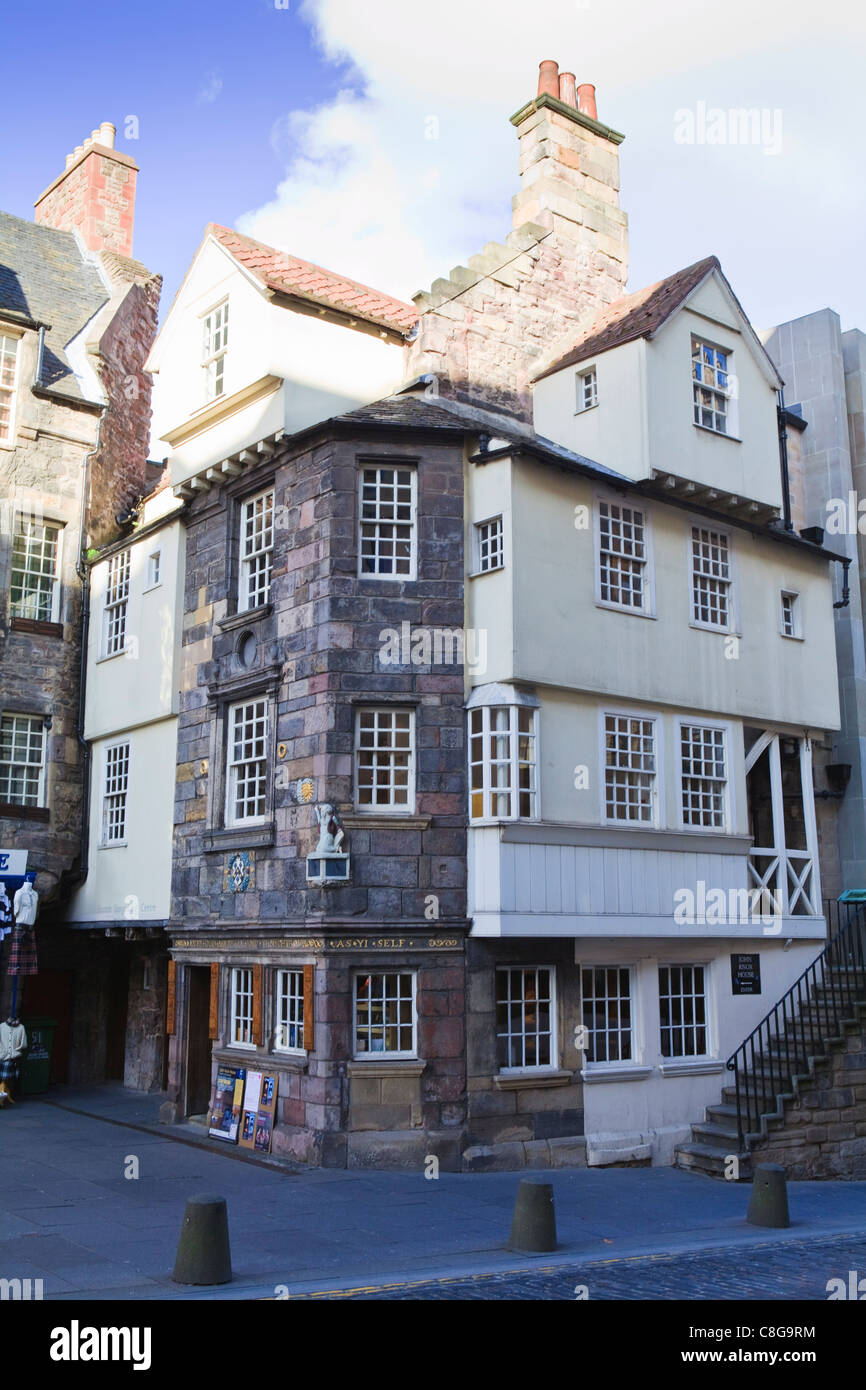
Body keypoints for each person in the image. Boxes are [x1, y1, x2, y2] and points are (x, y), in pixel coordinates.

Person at [0, 1016, 27, 1106]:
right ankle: (4, 1097)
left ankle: (4, 1098)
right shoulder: (2, 1026)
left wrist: (15, 1050)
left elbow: (24, 1043)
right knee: (4, 1079)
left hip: (11, 1057)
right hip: (3, 1056)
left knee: (6, 1079)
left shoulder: (21, 1027)